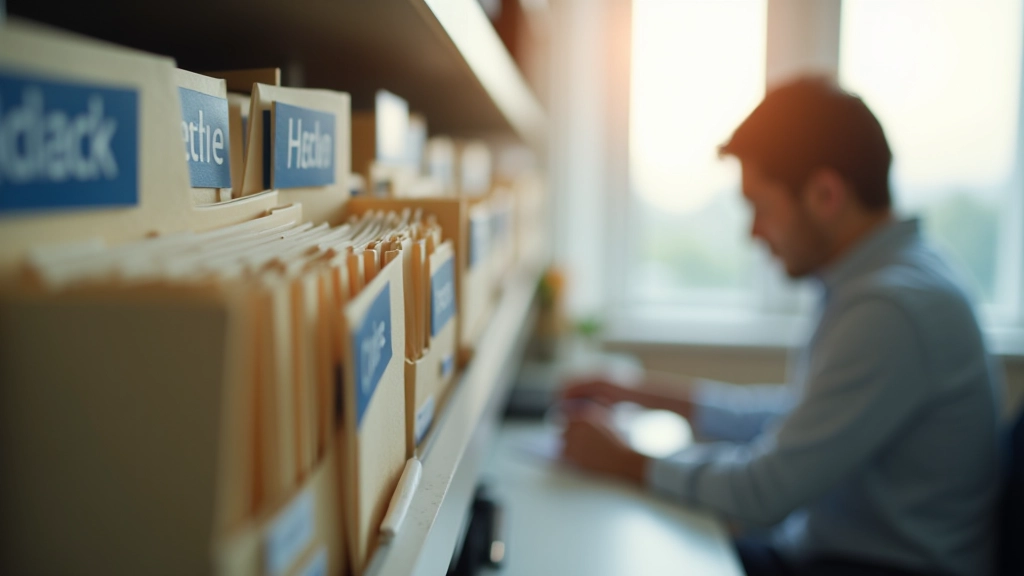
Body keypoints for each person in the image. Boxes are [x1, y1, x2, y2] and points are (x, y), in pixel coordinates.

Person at [561, 77, 1003, 576]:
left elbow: (762, 494)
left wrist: (624, 460)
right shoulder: (881, 278)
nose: (753, 232)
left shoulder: (890, 310)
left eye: (761, 206)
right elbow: (796, 418)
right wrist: (637, 393)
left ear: (825, 195)